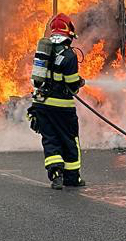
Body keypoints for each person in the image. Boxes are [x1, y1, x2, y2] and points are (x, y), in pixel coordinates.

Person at [27, 13, 86, 189]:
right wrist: (79, 82)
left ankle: (56, 174)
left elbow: (38, 79)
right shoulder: (69, 55)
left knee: (50, 139)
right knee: (69, 140)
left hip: (41, 105)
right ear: (69, 32)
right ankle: (72, 178)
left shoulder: (44, 50)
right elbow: (71, 84)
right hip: (62, 108)